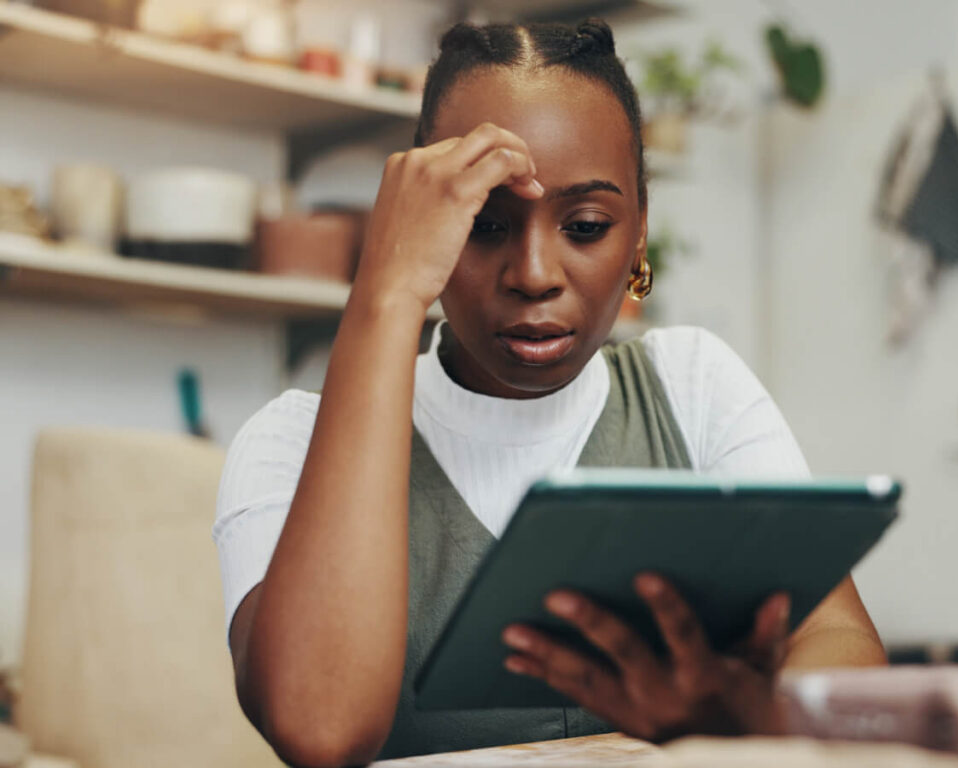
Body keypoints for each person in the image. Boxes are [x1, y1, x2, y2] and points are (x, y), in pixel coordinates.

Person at [214, 18, 887, 767]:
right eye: (485, 223)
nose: (534, 272)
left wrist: (744, 716)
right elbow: (322, 731)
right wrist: (387, 290)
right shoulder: (290, 443)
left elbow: (839, 640)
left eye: (588, 224)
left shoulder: (693, 387)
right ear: (421, 226)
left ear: (638, 235)